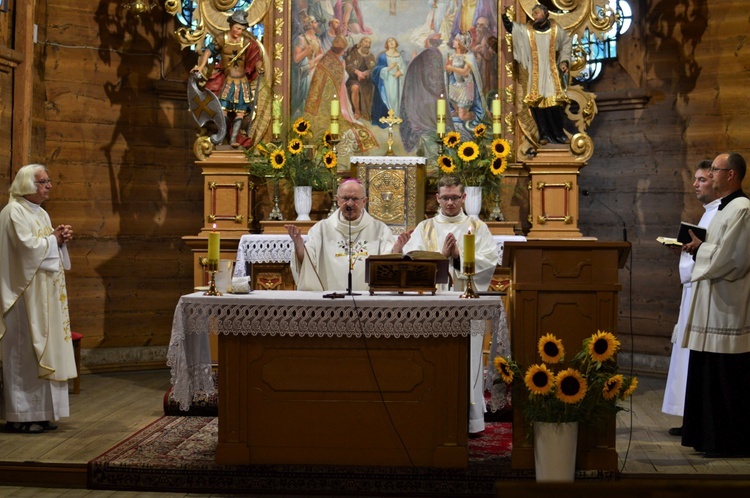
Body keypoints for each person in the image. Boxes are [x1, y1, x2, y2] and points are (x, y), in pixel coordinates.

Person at [393, 175, 499, 436]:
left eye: (455, 197)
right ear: (437, 199)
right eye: (445, 197)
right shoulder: (425, 227)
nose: (450, 202)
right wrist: (440, 257)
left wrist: (459, 257)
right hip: (431, 307)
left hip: (467, 306)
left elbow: (489, 261)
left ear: (464, 198)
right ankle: (431, 413)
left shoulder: (477, 226)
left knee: (469, 359)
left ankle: (470, 420)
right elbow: (411, 264)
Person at [681, 152, 750, 458]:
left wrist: (700, 250)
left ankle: (727, 440)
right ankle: (706, 437)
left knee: (725, 375)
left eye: (716, 171)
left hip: (728, 307)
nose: (711, 176)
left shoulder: (742, 209)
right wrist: (702, 248)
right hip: (713, 301)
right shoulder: (725, 209)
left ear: (731, 174)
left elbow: (733, 258)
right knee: (707, 370)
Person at [0, 164, 77, 434]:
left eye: (49, 180)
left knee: (45, 350)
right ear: (25, 185)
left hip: (44, 294)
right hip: (23, 296)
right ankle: (20, 416)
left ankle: (43, 413)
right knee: (24, 352)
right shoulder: (13, 212)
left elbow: (45, 245)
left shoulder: (41, 213)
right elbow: (24, 250)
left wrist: (60, 240)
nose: (49, 185)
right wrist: (52, 240)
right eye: (43, 181)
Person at [661, 160, 720, 436]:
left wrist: (692, 252)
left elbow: (717, 254)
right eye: (695, 179)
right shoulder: (708, 213)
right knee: (685, 354)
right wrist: (684, 250)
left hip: (704, 291)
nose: (695, 184)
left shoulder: (722, 212)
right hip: (693, 289)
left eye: (702, 179)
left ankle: (695, 420)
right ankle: (690, 417)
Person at [285, 179, 395, 291]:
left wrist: (397, 249)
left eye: (355, 199)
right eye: (346, 198)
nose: (350, 203)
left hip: (367, 303)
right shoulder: (321, 229)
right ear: (338, 200)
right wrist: (299, 245)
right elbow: (308, 263)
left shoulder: (380, 230)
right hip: (330, 302)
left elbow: (389, 264)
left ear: (364, 201)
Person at [192, 10, 266, 147]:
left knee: (240, 112)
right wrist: (201, 66)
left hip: (242, 81)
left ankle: (233, 140)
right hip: (227, 81)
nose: (239, 31)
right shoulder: (222, 39)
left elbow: (256, 57)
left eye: (242, 29)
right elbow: (208, 51)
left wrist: (259, 67)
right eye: (237, 28)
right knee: (222, 110)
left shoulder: (247, 42)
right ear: (231, 25)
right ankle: (222, 137)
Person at [501, 4, 571, 145]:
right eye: (533, 14)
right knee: (537, 105)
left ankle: (559, 134)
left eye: (537, 13)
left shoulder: (556, 29)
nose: (534, 16)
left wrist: (564, 61)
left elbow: (566, 44)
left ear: (545, 14)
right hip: (536, 73)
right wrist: (504, 15)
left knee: (554, 104)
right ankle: (543, 134)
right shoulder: (527, 30)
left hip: (551, 72)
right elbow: (511, 28)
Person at [302, 35, 378, 156]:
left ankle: (359, 111)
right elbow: (343, 78)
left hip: (318, 100)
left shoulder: (326, 58)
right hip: (334, 101)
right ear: (341, 50)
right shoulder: (338, 62)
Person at [445, 31, 484, 133]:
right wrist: (448, 69)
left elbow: (465, 72)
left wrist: (450, 67)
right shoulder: (453, 55)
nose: (453, 41)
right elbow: (449, 70)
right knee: (457, 112)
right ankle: (460, 129)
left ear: (461, 43)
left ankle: (477, 117)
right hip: (456, 86)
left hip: (465, 87)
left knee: (462, 116)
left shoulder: (468, 56)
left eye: (456, 40)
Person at [371, 37, 407, 128]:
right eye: (389, 41)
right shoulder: (383, 56)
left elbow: (403, 68)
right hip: (387, 81)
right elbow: (376, 70)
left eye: (393, 41)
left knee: (396, 98)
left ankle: (396, 117)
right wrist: (388, 68)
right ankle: (388, 117)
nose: (391, 42)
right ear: (386, 44)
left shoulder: (399, 56)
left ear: (396, 43)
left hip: (398, 81)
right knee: (390, 97)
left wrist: (400, 72)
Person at [344, 37, 376, 121]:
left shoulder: (371, 56)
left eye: (369, 43)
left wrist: (367, 73)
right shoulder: (353, 53)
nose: (367, 44)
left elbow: (374, 69)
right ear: (361, 43)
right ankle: (357, 111)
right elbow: (348, 66)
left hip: (366, 82)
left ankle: (367, 113)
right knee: (355, 88)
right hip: (353, 79)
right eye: (366, 42)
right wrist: (357, 72)